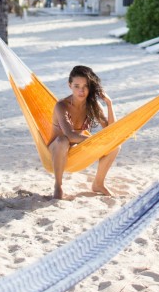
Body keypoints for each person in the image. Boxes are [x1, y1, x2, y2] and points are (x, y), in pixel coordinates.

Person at [49, 65, 118, 200]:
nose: (81, 91)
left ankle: (98, 183)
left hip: (78, 147)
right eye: (77, 86)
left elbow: (112, 130)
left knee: (115, 145)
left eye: (85, 86)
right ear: (70, 86)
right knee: (63, 140)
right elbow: (69, 135)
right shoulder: (62, 106)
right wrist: (94, 141)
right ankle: (58, 186)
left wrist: (109, 103)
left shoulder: (93, 105)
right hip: (55, 148)